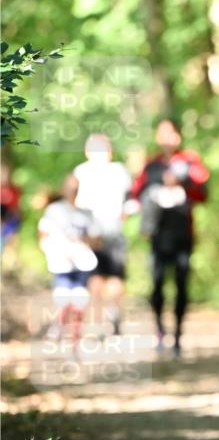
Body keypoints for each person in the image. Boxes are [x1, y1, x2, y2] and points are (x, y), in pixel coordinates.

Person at [130, 119, 209, 356]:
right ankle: (159, 331)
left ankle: (178, 336)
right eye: (162, 133)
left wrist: (183, 181)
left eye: (171, 133)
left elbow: (203, 192)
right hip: (157, 235)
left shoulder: (190, 162)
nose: (167, 138)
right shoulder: (151, 166)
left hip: (183, 234)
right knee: (156, 284)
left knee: (182, 284)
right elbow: (137, 193)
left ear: (178, 136)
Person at [74, 133, 132, 337]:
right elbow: (129, 202)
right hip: (107, 228)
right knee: (109, 276)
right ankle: (109, 314)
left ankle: (101, 319)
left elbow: (77, 205)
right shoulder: (118, 171)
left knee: (99, 276)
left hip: (97, 230)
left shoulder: (82, 173)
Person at [38, 174, 100, 349]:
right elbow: (43, 236)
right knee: (63, 298)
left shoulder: (86, 213)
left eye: (76, 187)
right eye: (70, 187)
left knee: (80, 299)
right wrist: (52, 250)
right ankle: (59, 327)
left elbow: (96, 239)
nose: (73, 191)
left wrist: (84, 240)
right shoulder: (54, 211)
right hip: (61, 263)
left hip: (82, 262)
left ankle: (75, 338)